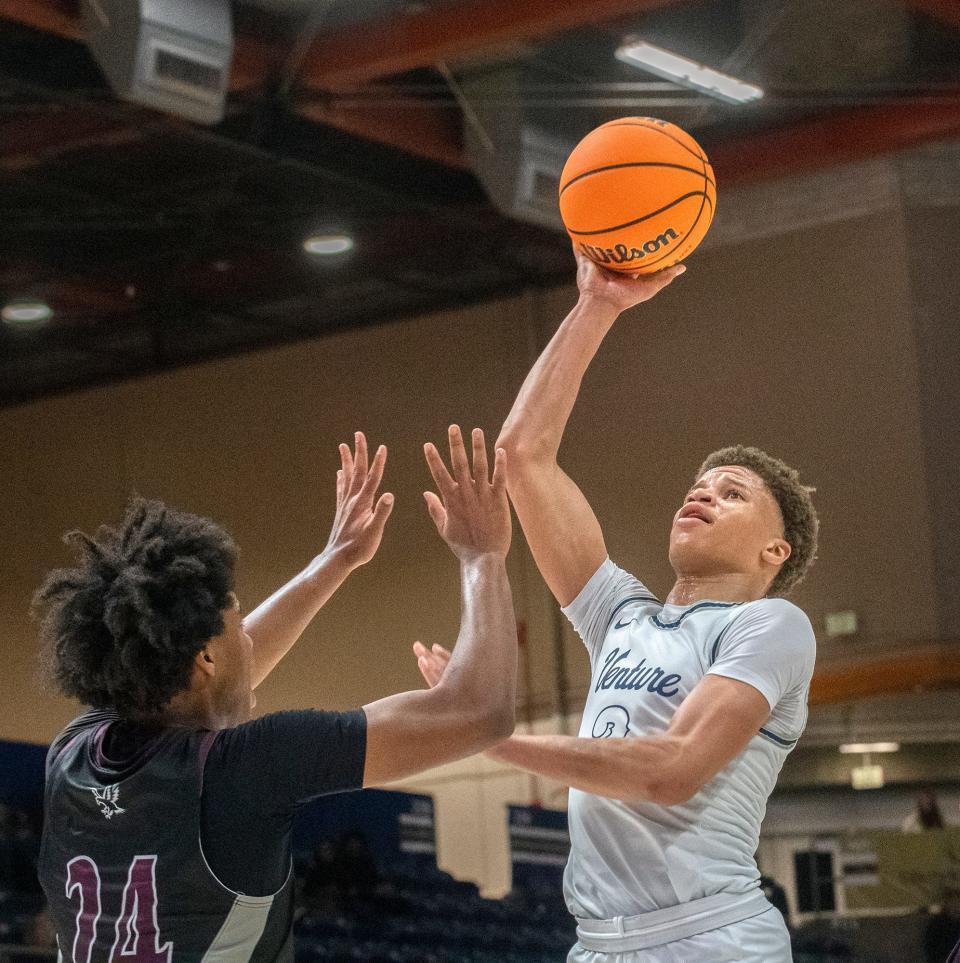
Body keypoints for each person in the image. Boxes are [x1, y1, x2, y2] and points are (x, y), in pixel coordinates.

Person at [415, 253, 819, 963]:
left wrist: (495, 736)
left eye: (732, 493)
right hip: (599, 944)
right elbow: (522, 456)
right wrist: (596, 305)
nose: (702, 494)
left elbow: (672, 769)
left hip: (710, 941)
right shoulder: (624, 618)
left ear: (775, 552)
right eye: (699, 484)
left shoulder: (770, 625)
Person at [35, 427, 517, 962]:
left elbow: (198, 681)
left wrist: (336, 560)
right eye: (238, 625)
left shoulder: (73, 752)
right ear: (206, 659)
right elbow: (481, 711)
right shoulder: (242, 772)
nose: (250, 639)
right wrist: (482, 559)